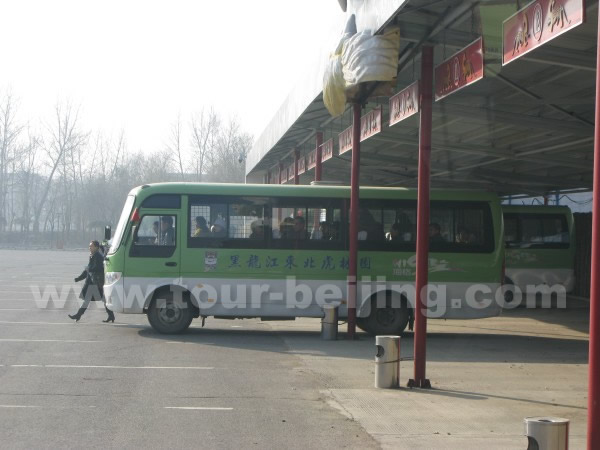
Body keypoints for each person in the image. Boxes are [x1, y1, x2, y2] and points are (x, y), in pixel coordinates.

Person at [69, 240, 115, 323]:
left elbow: (99, 268)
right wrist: (79, 278)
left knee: (97, 299)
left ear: (96, 247)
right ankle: (111, 316)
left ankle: (78, 315)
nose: (89, 247)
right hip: (93, 282)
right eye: (89, 246)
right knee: (94, 299)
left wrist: (89, 269)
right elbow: (88, 269)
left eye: (91, 246)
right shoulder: (92, 255)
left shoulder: (98, 256)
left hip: (96, 283)